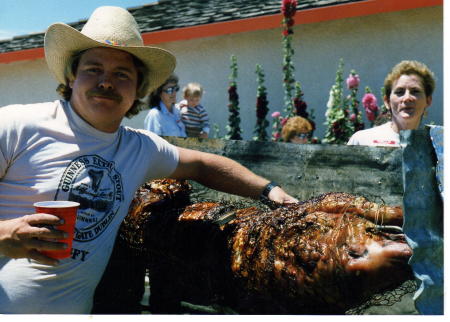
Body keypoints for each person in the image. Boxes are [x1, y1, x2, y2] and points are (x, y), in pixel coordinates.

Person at [0, 6, 297, 314]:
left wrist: (269, 190)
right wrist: (4, 235)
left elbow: (202, 164)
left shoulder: (139, 149)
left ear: (138, 89)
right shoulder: (16, 126)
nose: (106, 82)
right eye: (93, 69)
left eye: (121, 74)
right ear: (72, 75)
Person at [348, 60, 435, 146]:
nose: (407, 98)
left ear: (428, 100)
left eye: (415, 91)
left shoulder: (439, 144)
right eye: (400, 92)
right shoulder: (362, 141)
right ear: (387, 101)